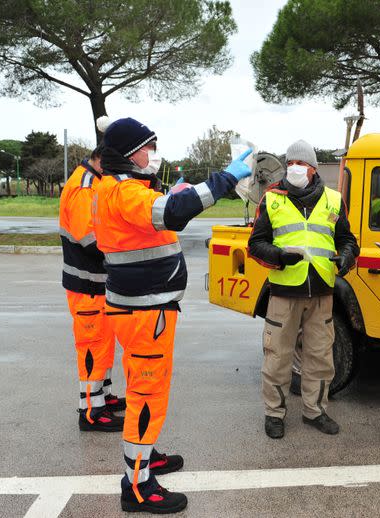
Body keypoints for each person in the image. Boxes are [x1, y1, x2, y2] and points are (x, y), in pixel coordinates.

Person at [93, 116, 252, 513]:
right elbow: (174, 211)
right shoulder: (125, 192)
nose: (153, 155)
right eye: (148, 147)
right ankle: (138, 486)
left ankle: (145, 460)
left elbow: (160, 215)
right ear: (130, 154)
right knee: (148, 396)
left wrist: (176, 193)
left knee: (141, 390)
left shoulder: (117, 189)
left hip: (140, 309)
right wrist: (225, 178)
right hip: (145, 312)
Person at [247, 139, 359, 440]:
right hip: (284, 293)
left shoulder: (334, 200)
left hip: (323, 293)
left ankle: (315, 411)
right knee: (278, 357)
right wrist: (279, 257)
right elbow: (255, 245)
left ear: (313, 168)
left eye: (302, 164)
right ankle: (275, 414)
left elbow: (348, 240)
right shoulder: (272, 199)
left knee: (321, 357)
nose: (295, 168)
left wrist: (346, 258)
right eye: (291, 163)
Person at [59, 147, 125, 433]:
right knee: (91, 345)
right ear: (100, 160)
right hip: (86, 283)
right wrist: (122, 254)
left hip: (96, 282)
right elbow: (90, 239)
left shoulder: (94, 181)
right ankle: (90, 411)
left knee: (103, 343)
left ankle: (102, 397)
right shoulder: (83, 187)